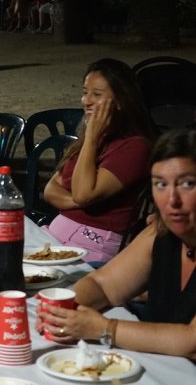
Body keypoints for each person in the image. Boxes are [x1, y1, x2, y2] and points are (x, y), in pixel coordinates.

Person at [38, 128, 196, 359]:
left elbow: (191, 342)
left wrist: (103, 328)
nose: (172, 200)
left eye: (187, 184)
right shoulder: (160, 234)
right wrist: (63, 310)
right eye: (160, 184)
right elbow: (102, 285)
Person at [43, 58, 155, 262]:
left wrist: (92, 137)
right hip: (56, 235)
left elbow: (84, 194)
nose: (86, 101)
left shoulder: (135, 147)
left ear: (120, 101)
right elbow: (51, 189)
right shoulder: (94, 139)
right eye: (85, 93)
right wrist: (75, 201)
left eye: (97, 94)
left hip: (93, 246)